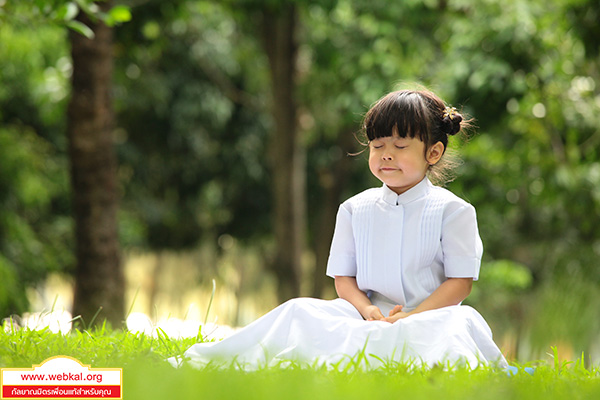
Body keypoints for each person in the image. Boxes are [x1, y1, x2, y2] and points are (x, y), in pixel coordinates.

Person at [173, 89, 507, 370]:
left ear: (433, 152)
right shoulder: (353, 208)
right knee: (298, 310)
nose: (385, 155)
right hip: (363, 315)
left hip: (430, 318)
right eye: (377, 146)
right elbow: (343, 279)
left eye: (400, 146)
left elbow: (460, 283)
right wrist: (367, 310)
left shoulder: (454, 211)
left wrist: (412, 316)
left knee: (455, 330)